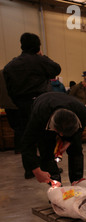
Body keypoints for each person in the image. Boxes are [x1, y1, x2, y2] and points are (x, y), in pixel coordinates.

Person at [3, 32, 61, 177]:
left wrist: (18, 101)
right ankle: (50, 171)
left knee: (26, 138)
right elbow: (56, 69)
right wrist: (41, 56)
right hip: (41, 104)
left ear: (21, 45)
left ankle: (30, 170)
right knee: (45, 138)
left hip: (21, 106)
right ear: (38, 46)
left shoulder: (11, 65)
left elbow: (9, 89)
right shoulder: (40, 61)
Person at [20, 92, 86, 185]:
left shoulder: (82, 111)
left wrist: (68, 142)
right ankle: (55, 184)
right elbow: (27, 145)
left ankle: (77, 181)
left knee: (76, 149)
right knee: (46, 151)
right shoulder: (39, 116)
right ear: (56, 130)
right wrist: (36, 171)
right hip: (43, 107)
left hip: (70, 108)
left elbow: (79, 131)